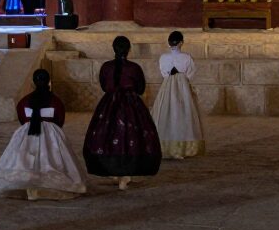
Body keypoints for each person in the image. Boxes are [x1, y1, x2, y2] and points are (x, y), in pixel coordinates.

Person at [0, 68, 86, 200]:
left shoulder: (23, 102)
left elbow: (22, 119)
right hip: (51, 133)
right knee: (52, 159)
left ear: (33, 83)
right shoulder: (55, 101)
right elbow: (60, 119)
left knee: (24, 159)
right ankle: (45, 186)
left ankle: (29, 184)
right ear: (49, 82)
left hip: (28, 132)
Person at [82, 35, 162, 187]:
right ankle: (125, 173)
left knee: (108, 135)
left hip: (109, 104)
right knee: (132, 136)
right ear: (128, 49)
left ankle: (113, 170)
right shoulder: (134, 68)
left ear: (113, 49)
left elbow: (104, 86)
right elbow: (140, 88)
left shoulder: (106, 67)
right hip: (132, 105)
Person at [152, 30, 206, 159]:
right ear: (181, 43)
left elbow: (164, 74)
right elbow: (191, 73)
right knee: (184, 113)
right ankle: (185, 147)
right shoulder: (187, 57)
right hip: (183, 88)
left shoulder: (163, 57)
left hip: (167, 88)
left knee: (166, 113)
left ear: (169, 43)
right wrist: (182, 78)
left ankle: (165, 145)